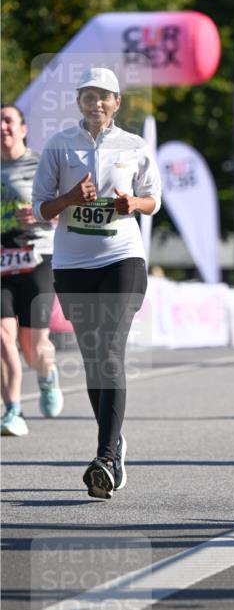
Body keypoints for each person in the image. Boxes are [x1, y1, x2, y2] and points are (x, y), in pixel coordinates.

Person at [32, 67, 161, 498]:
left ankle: (105, 456)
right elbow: (41, 210)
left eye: (105, 97)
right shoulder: (60, 145)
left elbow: (152, 199)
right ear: (78, 103)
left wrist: (133, 203)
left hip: (123, 259)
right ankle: (114, 441)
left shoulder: (135, 146)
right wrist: (70, 199)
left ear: (117, 102)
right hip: (72, 265)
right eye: (89, 97)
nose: (97, 104)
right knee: (93, 358)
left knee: (109, 349)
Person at [1, 104, 64, 435]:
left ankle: (46, 374)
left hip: (37, 259)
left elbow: (59, 211)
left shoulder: (39, 164)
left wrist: (41, 215)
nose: (2, 126)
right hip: (0, 264)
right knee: (2, 336)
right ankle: (12, 410)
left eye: (8, 120)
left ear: (23, 128)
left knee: (33, 347)